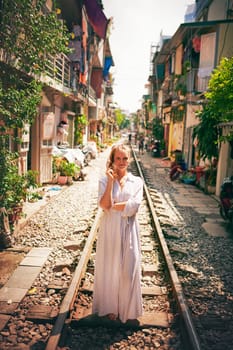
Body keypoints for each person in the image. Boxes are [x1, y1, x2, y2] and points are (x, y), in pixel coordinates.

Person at [92, 143, 143, 323]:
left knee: (128, 269)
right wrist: (111, 183)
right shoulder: (104, 180)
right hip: (110, 229)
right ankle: (110, 308)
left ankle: (126, 309)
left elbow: (134, 207)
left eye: (124, 158)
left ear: (129, 160)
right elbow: (104, 205)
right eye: (118, 158)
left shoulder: (137, 182)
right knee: (110, 268)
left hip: (129, 229)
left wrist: (112, 206)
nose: (121, 162)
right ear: (112, 160)